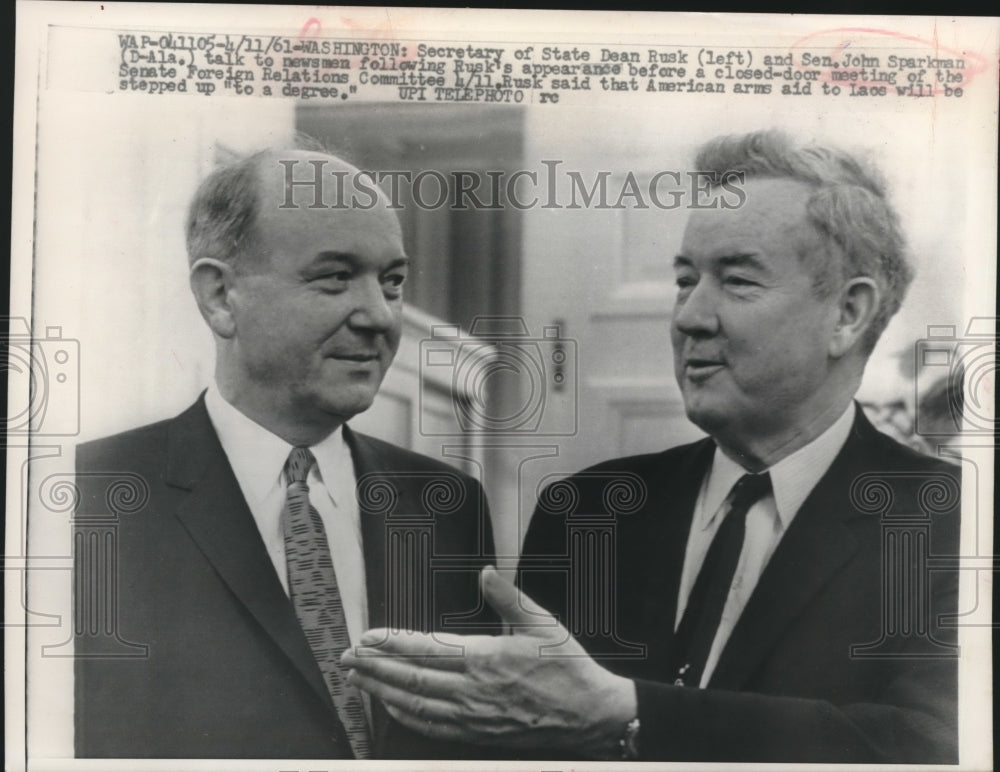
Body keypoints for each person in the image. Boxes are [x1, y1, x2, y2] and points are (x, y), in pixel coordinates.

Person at [342, 130, 961, 763]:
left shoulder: (949, 521)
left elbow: (933, 747)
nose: (689, 316)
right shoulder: (586, 510)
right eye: (685, 280)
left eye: (738, 280)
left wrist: (631, 714)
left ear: (849, 314)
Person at [73, 145, 497, 759]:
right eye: (334, 277)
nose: (379, 315)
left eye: (393, 281)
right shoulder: (92, 499)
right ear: (221, 297)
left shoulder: (448, 506)